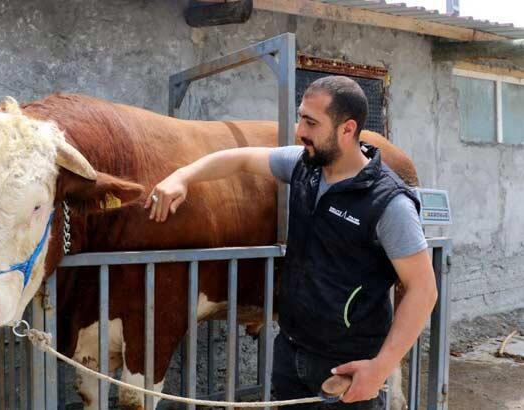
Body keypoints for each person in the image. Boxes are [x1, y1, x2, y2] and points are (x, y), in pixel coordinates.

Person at [144, 76, 438, 409]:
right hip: (291, 353)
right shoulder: (304, 167)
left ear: (347, 129)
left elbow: (423, 290)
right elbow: (240, 159)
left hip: (348, 368)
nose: (300, 131)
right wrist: (182, 176)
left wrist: (380, 368)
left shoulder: (389, 203)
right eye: (301, 117)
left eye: (311, 122)